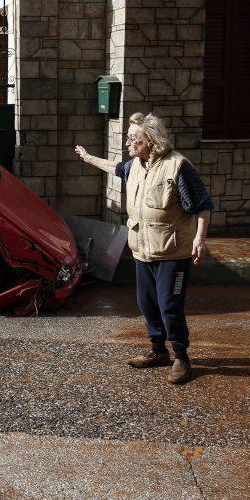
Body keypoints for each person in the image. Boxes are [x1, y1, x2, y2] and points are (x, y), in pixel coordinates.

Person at [75, 112, 213, 385]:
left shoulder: (177, 167)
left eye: (132, 139)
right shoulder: (136, 165)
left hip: (172, 253)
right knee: (146, 303)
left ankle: (181, 357)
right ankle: (158, 351)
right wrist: (89, 158)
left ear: (150, 140)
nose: (127, 143)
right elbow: (114, 167)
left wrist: (200, 238)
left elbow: (202, 205)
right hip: (143, 251)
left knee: (169, 305)